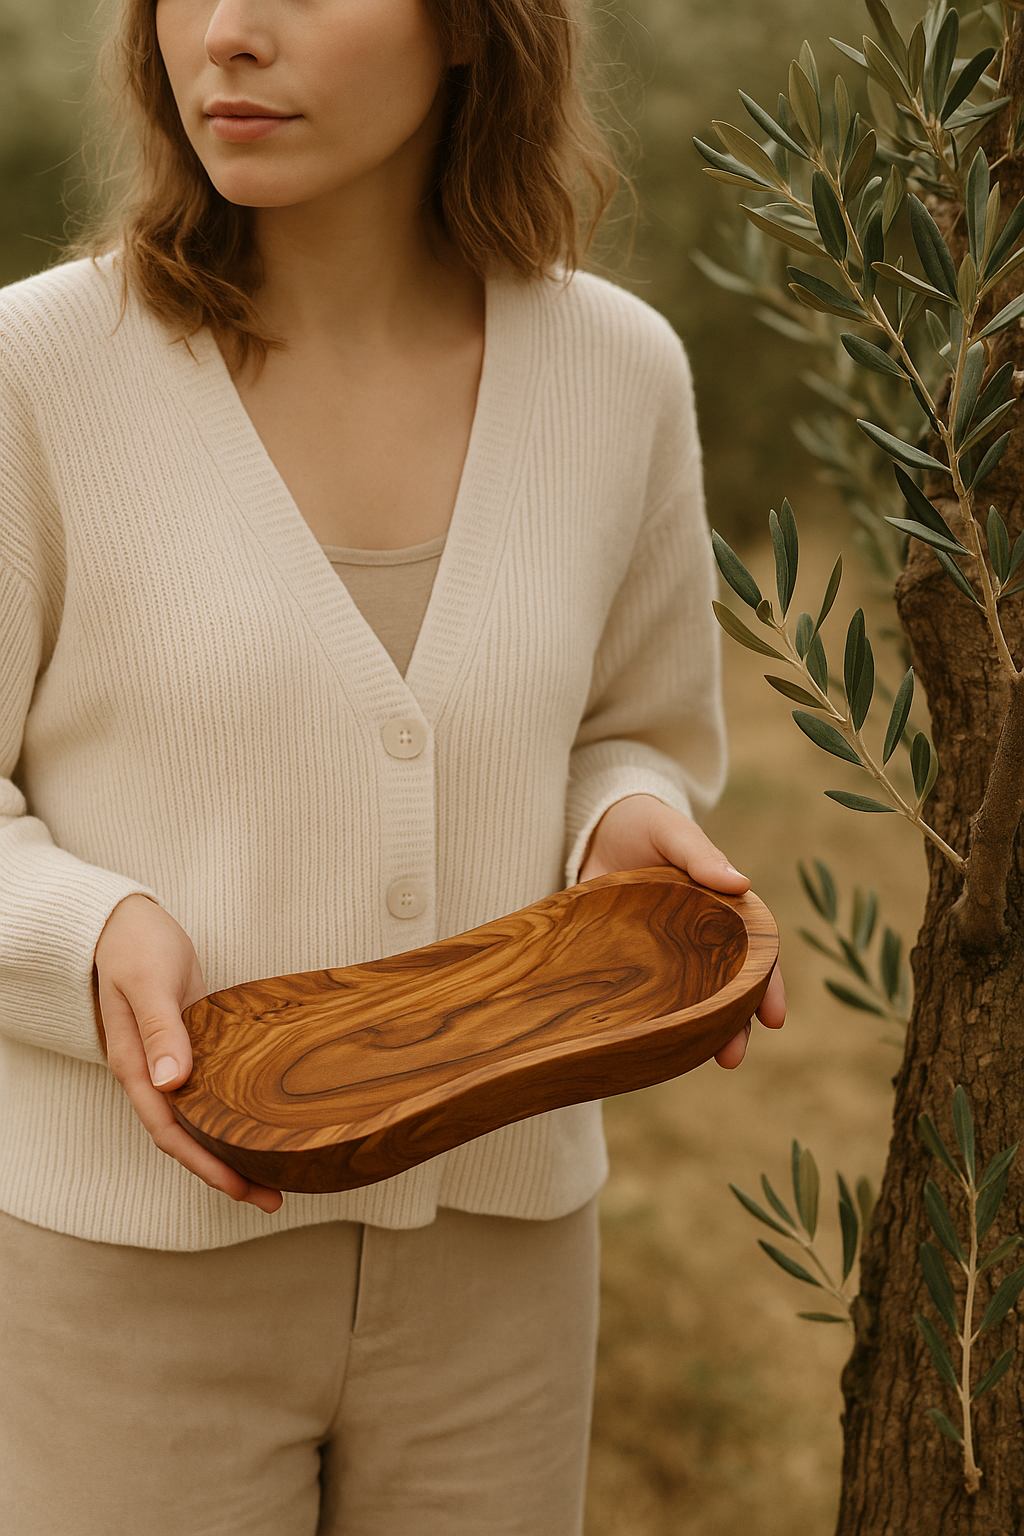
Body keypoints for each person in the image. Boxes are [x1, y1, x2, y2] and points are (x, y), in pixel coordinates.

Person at [0, 0, 785, 1531]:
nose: (224, 34)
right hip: (126, 1274)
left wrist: (621, 827)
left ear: (474, 30)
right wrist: (82, 933)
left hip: (504, 1263)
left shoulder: (617, 373)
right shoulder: (35, 376)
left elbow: (636, 728)